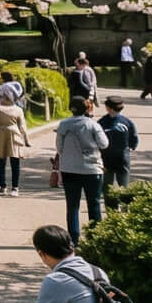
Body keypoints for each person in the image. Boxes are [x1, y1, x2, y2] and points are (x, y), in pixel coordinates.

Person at [52, 99, 107, 241]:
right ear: (87, 109)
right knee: (94, 203)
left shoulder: (63, 124)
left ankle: (74, 238)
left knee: (72, 205)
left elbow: (59, 147)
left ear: (71, 108)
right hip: (92, 169)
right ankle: (95, 236)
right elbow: (104, 144)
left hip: (69, 169)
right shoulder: (93, 125)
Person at [0, 73, 30, 194]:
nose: (3, 97)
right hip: (13, 134)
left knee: (6, 161)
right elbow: (23, 126)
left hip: (2, 134)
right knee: (11, 161)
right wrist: (25, 138)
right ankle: (9, 186)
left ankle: (9, 186)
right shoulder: (17, 109)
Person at [97, 97, 138, 191]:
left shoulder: (102, 122)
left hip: (106, 158)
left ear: (108, 107)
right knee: (123, 187)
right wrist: (131, 148)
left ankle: (111, 205)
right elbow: (134, 138)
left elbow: (96, 139)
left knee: (108, 187)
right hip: (122, 157)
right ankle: (124, 205)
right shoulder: (127, 122)